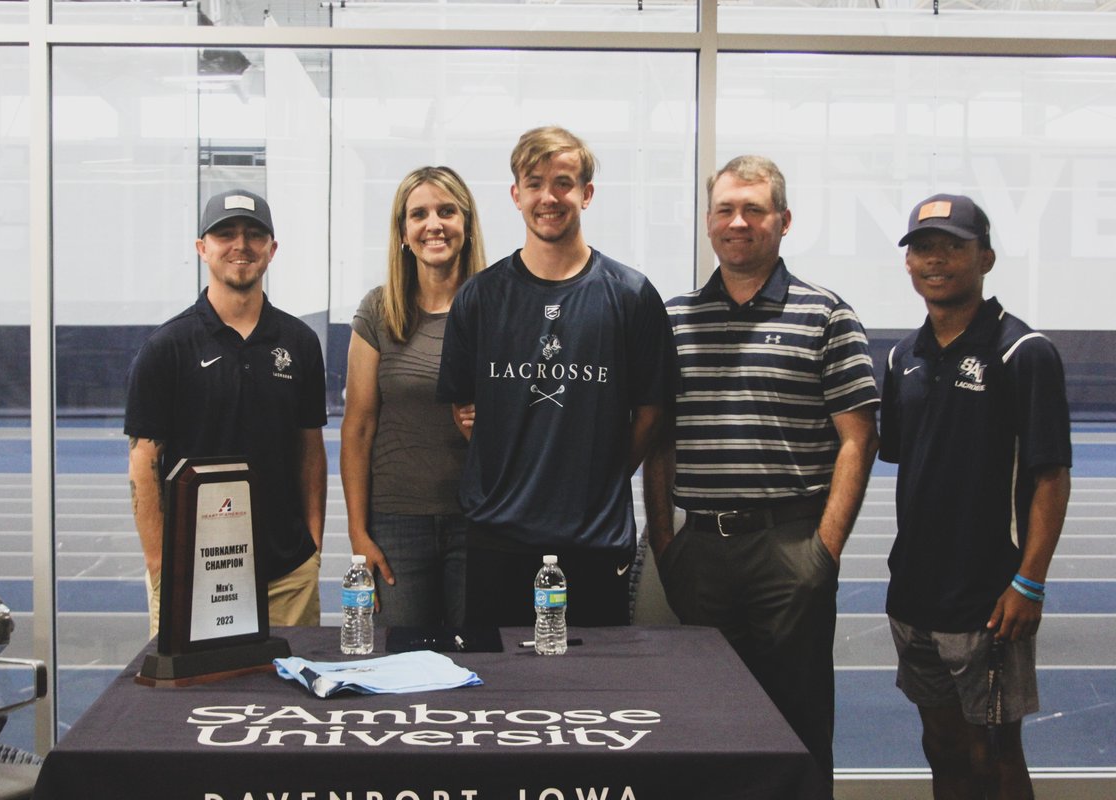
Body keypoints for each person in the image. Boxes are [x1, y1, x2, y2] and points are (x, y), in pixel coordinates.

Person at [643, 155, 880, 785]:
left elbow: (858, 440)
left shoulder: (827, 315)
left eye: (754, 209)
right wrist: (666, 542)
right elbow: (658, 440)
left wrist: (821, 554)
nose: (738, 221)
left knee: (795, 736)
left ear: (783, 221)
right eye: (725, 209)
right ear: (708, 221)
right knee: (701, 733)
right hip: (699, 554)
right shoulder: (672, 318)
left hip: (789, 551)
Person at [436, 126, 670, 628]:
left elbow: (653, 411)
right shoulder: (480, 297)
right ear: (516, 194)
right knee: (500, 698)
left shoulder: (631, 295)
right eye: (535, 182)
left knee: (592, 698)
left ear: (586, 194)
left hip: (593, 539)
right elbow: (461, 407)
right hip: (497, 537)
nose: (549, 196)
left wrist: (603, 473)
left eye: (563, 182)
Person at [881, 194, 1072, 799]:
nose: (935, 260)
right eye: (923, 248)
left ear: (984, 257)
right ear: (909, 264)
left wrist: (1030, 582)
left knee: (994, 753)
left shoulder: (1023, 352)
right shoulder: (901, 357)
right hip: (914, 594)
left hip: (988, 598)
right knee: (939, 744)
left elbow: (1050, 477)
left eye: (952, 247)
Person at [125, 189, 328, 638]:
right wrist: (161, 566)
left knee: (289, 705)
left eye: (256, 234)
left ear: (272, 250)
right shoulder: (166, 348)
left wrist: (312, 547)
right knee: (192, 707)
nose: (242, 245)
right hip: (192, 578)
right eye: (226, 234)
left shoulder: (299, 343)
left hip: (286, 577)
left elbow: (310, 449)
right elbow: (144, 461)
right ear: (202, 248)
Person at [341, 166, 487, 628]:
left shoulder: (498, 308)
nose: (434, 225)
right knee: (401, 674)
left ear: (466, 223)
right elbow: (358, 427)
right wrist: (358, 533)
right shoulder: (379, 311)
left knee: (483, 671)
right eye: (419, 214)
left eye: (447, 211)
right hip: (397, 526)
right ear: (403, 232)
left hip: (480, 524)